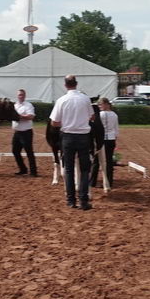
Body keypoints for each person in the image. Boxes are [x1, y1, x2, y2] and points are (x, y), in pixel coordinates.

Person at [49, 75, 96, 210]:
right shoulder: (85, 99)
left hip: (68, 137)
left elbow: (54, 122)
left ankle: (71, 200)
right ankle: (84, 200)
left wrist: (66, 122)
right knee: (85, 169)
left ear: (65, 85)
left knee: (69, 170)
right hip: (83, 137)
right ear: (76, 84)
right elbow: (92, 116)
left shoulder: (61, 100)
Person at [9, 89, 38, 176]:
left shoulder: (28, 105)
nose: (20, 96)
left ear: (24, 96)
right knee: (15, 151)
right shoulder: (15, 105)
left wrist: (19, 116)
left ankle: (33, 172)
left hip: (26, 132)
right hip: (17, 132)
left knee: (29, 152)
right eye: (19, 95)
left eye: (22, 95)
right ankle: (23, 169)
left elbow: (31, 116)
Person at [98, 98, 121, 184]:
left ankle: (94, 181)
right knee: (109, 160)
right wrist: (115, 138)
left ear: (107, 104)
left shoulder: (100, 114)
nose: (100, 106)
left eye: (101, 104)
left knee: (98, 161)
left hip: (102, 139)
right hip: (111, 139)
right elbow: (116, 129)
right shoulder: (114, 115)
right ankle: (109, 181)